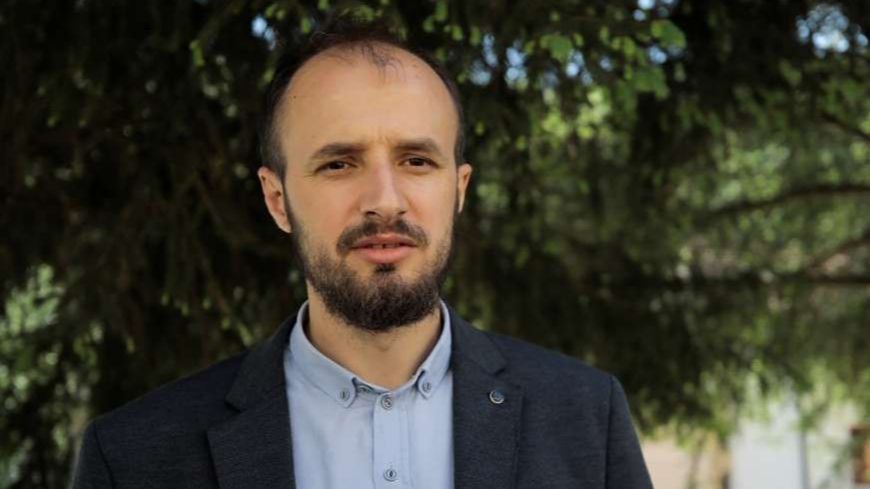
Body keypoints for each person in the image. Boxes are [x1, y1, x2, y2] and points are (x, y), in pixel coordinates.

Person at [72, 16, 653, 489]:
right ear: (277, 199)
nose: (384, 201)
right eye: (339, 164)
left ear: (459, 190)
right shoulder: (134, 459)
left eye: (417, 161)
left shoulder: (585, 418)